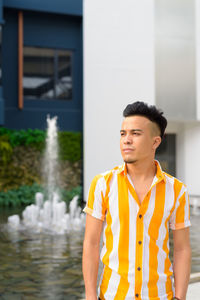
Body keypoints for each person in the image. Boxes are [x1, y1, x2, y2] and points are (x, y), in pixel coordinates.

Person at [82, 101, 191, 300]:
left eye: (135, 133)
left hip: (160, 295)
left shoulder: (177, 190)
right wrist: (90, 295)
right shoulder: (102, 184)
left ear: (155, 142)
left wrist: (180, 297)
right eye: (123, 133)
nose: (126, 140)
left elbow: (182, 248)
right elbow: (91, 243)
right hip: (113, 295)